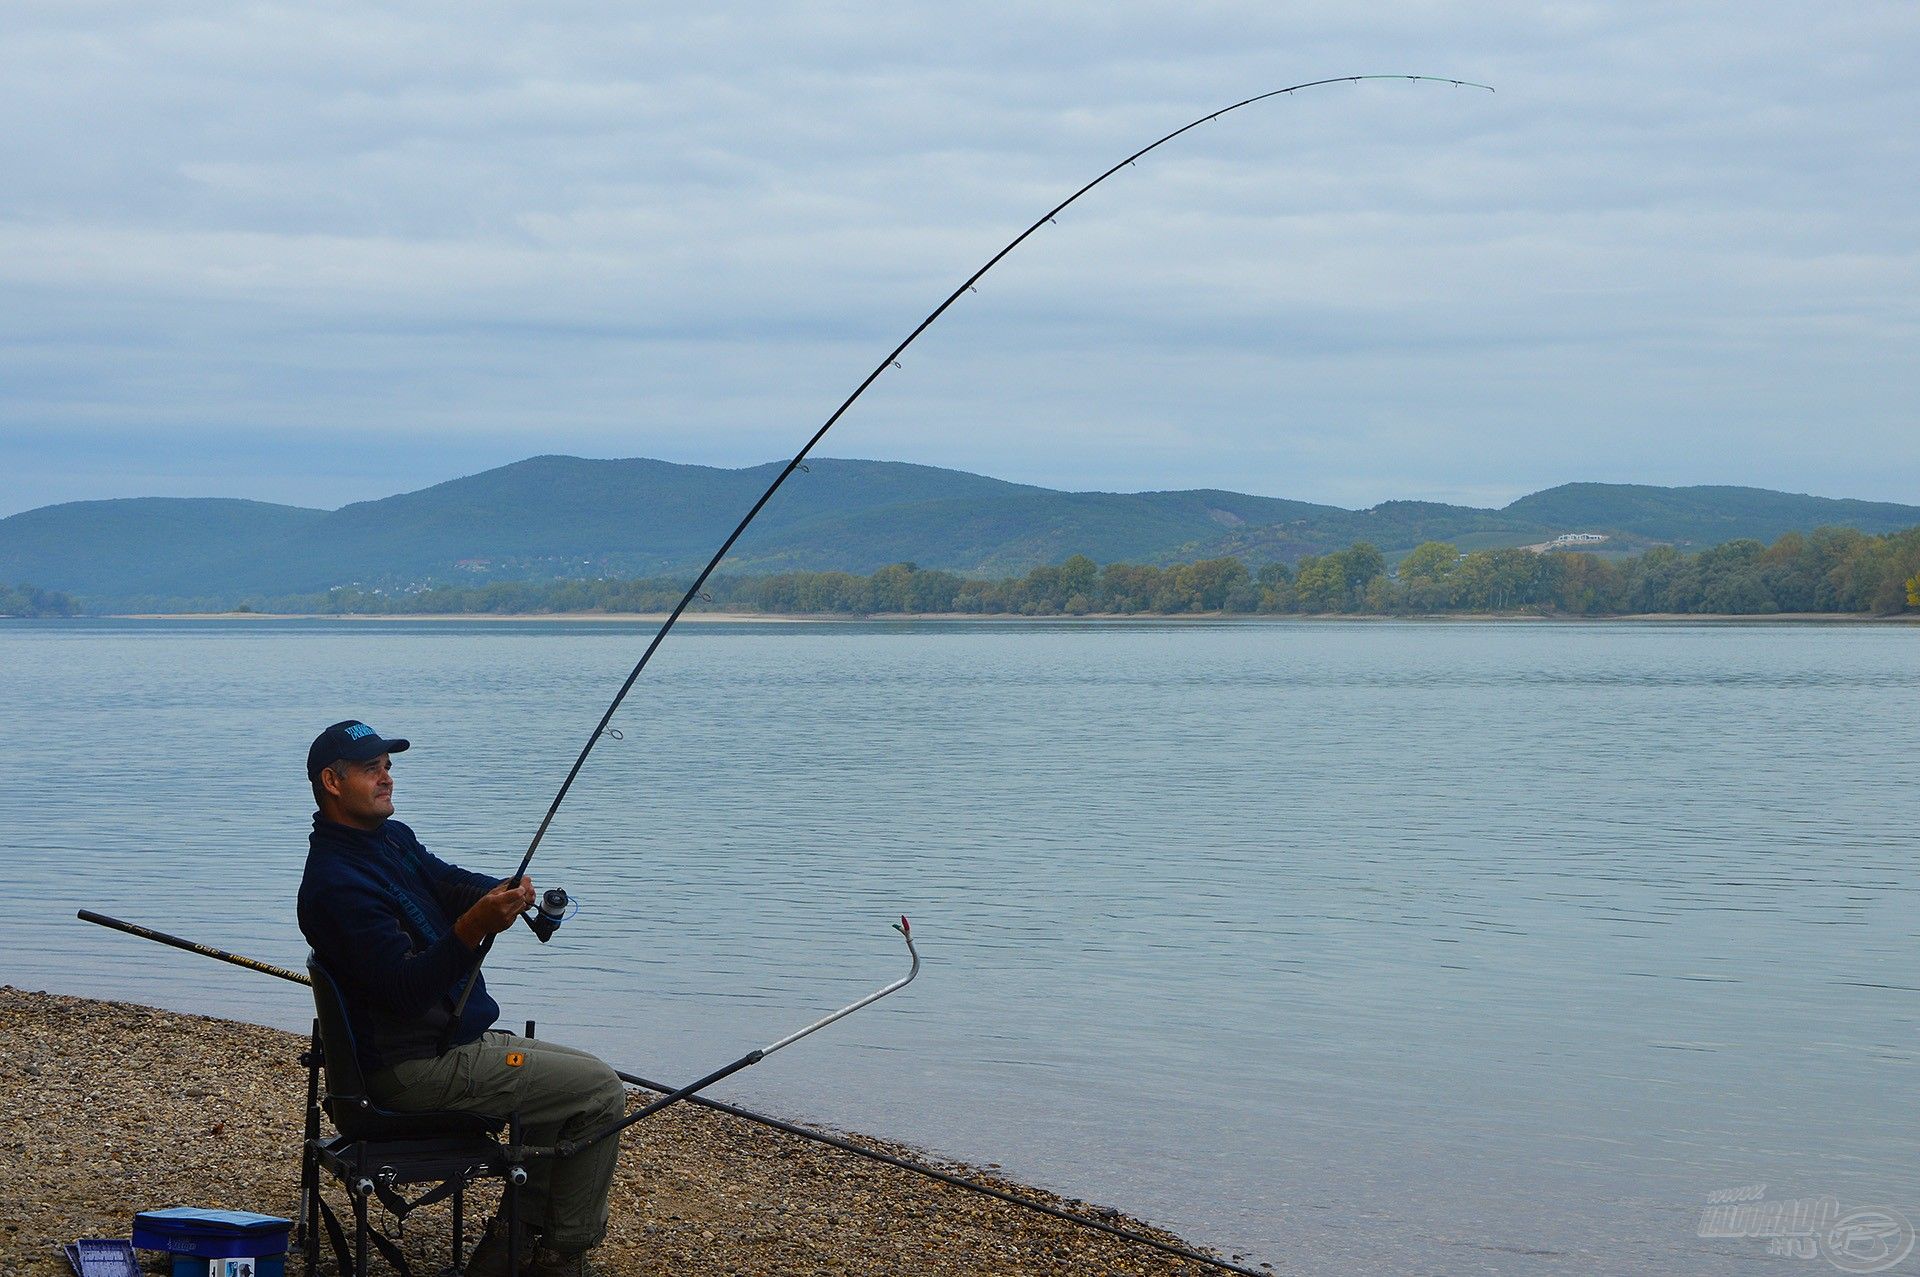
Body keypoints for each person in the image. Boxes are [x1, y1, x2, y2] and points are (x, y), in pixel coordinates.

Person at [297, 720, 625, 1277]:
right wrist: (474, 924)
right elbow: (404, 989)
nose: (387, 777)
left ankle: (515, 1242)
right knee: (597, 1093)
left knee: (586, 1077)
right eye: (371, 767)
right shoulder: (334, 882)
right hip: (412, 1068)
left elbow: (446, 881)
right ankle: (559, 1254)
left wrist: (502, 895)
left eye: (389, 765)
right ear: (332, 781)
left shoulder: (390, 840)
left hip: (449, 1041)